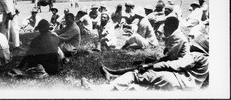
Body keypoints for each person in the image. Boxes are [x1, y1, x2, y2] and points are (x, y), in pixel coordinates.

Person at [81, 34, 209, 91]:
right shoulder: (208, 60)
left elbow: (177, 64)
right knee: (142, 86)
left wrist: (152, 65)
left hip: (176, 81)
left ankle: (101, 89)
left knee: (136, 74)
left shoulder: (195, 56)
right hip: (190, 89)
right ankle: (115, 82)